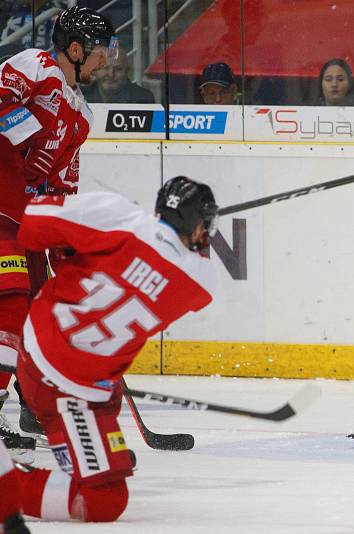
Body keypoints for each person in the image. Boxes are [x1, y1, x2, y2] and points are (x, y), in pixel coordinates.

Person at [2, 176, 218, 527]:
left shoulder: (117, 216)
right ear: (196, 224)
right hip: (62, 385)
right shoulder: (200, 281)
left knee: (108, 395)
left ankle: (91, 453)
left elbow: (31, 229)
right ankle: (7, 488)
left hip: (48, 355)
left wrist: (71, 248)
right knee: (102, 500)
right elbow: (176, 261)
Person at [0, 5, 118, 462]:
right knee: (11, 298)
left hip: (24, 218)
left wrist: (66, 240)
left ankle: (33, 404)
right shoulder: (36, 67)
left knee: (38, 309)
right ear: (75, 49)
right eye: (100, 51)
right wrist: (23, 135)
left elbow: (61, 184)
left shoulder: (81, 114)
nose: (106, 60)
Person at [82, 46, 155, 104]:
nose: (111, 74)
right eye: (105, 68)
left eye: (118, 69)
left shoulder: (143, 98)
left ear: (127, 71)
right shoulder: (80, 97)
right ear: (94, 71)